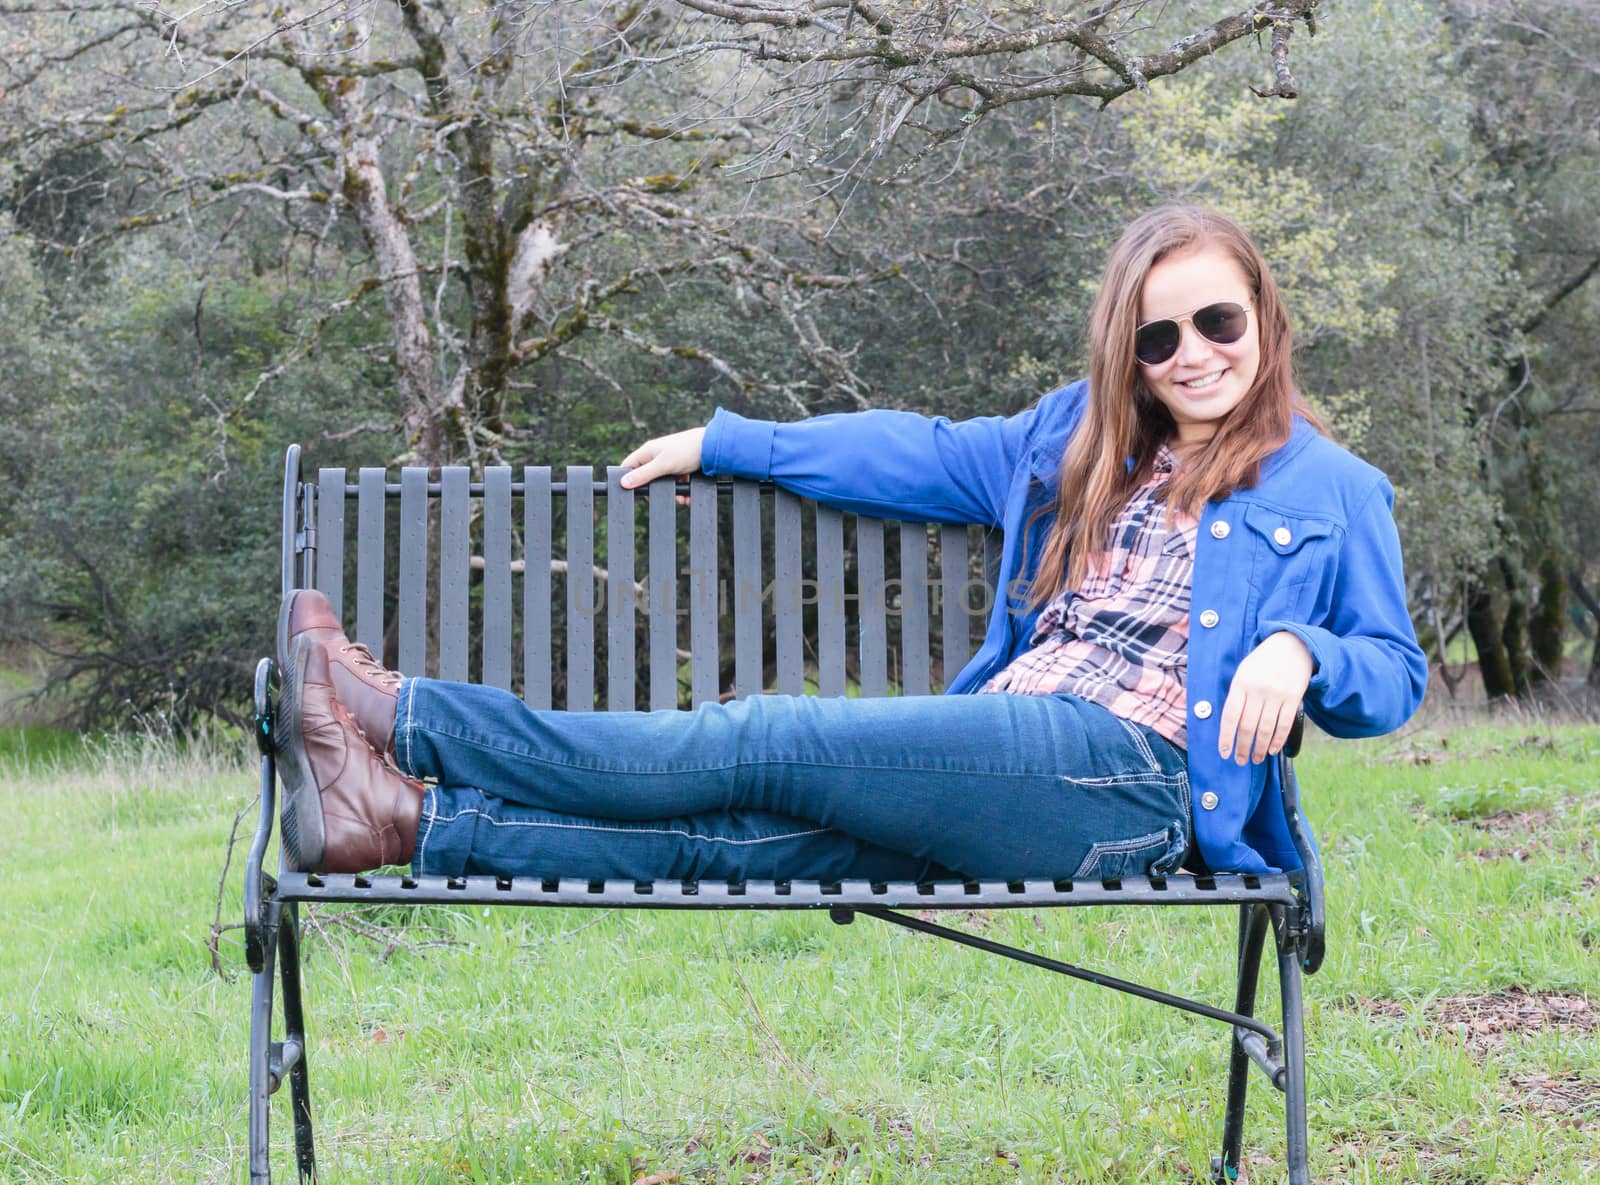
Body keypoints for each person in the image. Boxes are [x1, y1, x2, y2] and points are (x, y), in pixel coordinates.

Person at [273, 205, 1427, 884]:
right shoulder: (1073, 440)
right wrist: (732, 442)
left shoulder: (1332, 487)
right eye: (1157, 335)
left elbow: (1392, 674)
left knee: (766, 735)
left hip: (1128, 781)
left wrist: (1301, 652)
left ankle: (404, 716)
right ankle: (401, 823)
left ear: (1263, 320)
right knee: (740, 841)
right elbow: (914, 454)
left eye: (1216, 322)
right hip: (1015, 756)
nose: (1190, 354)